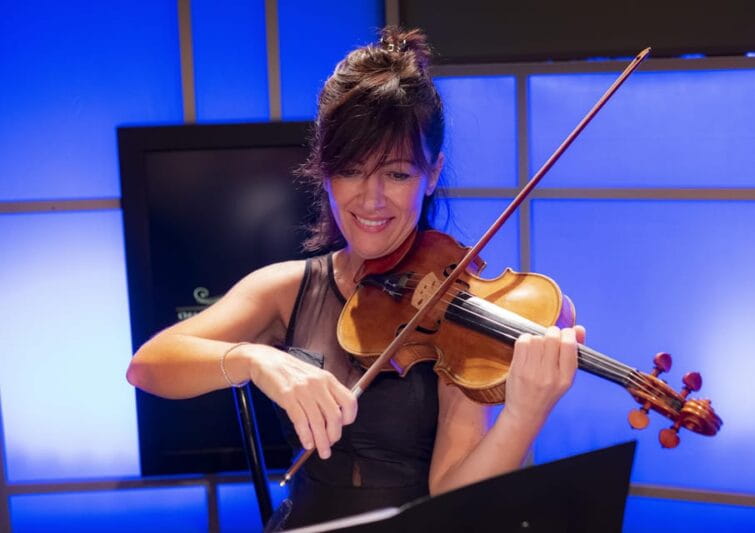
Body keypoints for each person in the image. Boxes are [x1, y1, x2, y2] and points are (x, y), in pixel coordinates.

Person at [126, 27, 584, 529]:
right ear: (324, 170)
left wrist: (523, 414)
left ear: (433, 174)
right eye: (350, 170)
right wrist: (252, 358)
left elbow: (454, 496)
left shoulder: (458, 309)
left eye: (398, 174)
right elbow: (148, 367)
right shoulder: (287, 287)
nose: (370, 199)